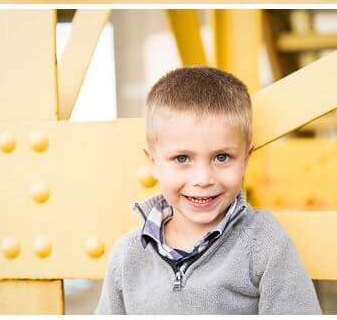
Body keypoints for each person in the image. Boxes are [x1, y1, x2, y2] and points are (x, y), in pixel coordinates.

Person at [96, 66, 321, 314]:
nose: (203, 179)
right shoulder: (129, 254)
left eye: (222, 157)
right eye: (182, 159)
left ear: (246, 159)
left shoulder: (263, 243)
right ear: (153, 163)